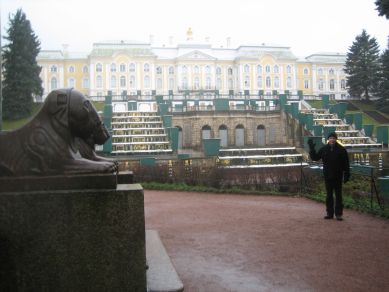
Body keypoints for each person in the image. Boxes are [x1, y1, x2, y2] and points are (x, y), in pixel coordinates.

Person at [308, 132, 350, 221]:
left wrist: (346, 174)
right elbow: (315, 158)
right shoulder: (324, 149)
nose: (332, 139)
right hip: (327, 176)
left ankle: (338, 214)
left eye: (334, 138)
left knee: (338, 195)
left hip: (338, 176)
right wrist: (312, 148)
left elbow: (346, 164)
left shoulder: (341, 150)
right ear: (328, 139)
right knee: (329, 195)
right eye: (330, 138)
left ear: (336, 139)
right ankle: (329, 213)